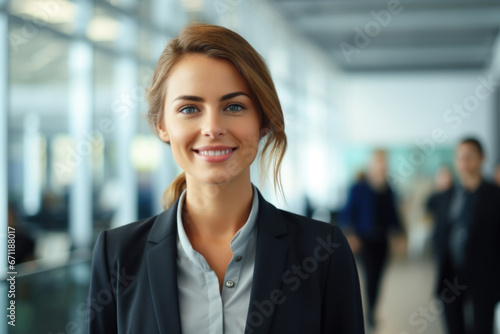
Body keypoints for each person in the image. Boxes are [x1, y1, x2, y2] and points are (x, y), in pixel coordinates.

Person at [85, 23, 364, 334]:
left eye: (234, 106)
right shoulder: (118, 254)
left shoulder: (323, 251)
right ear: (161, 125)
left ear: (263, 122)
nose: (212, 127)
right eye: (190, 108)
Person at [431, 138, 500, 334]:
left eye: (469, 157)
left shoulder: (495, 196)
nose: (463, 162)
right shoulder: (447, 195)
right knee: (454, 328)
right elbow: (440, 234)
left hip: (485, 276)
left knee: (482, 328)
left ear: (481, 159)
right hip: (451, 275)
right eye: (460, 157)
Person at [340, 150, 402, 329]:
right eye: (378, 163)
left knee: (378, 277)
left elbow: (393, 214)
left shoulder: (388, 189)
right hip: (364, 240)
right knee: (369, 276)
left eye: (384, 163)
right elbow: (347, 213)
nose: (381, 166)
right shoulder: (359, 187)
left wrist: (399, 234)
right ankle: (367, 314)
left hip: (382, 241)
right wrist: (351, 236)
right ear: (371, 165)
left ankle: (372, 309)